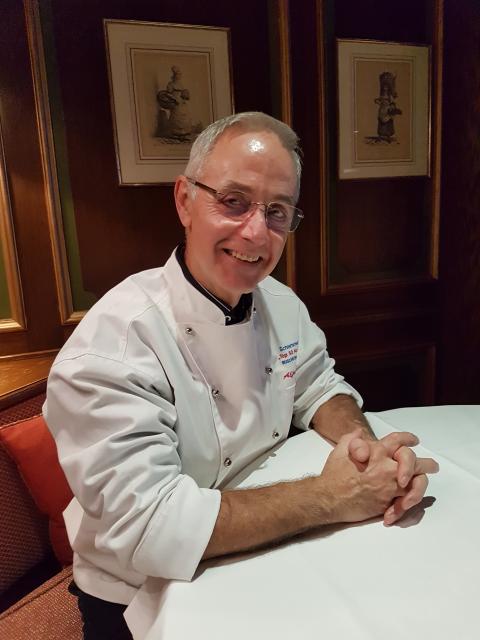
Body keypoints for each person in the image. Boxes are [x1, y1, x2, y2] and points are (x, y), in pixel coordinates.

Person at [44, 112, 438, 639]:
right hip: (139, 592)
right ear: (185, 200)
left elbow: (318, 383)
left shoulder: (278, 300)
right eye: (233, 201)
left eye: (277, 211)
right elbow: (154, 527)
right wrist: (332, 496)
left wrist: (365, 453)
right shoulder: (113, 348)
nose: (256, 232)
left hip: (260, 543)